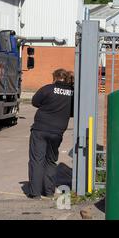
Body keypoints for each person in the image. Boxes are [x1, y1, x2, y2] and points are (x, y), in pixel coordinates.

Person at [27, 69, 74, 199]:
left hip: (40, 129)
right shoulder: (72, 92)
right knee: (51, 161)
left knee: (37, 160)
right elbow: (73, 111)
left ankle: (35, 193)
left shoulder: (47, 89)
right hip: (57, 132)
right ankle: (48, 191)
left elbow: (35, 102)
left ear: (55, 77)